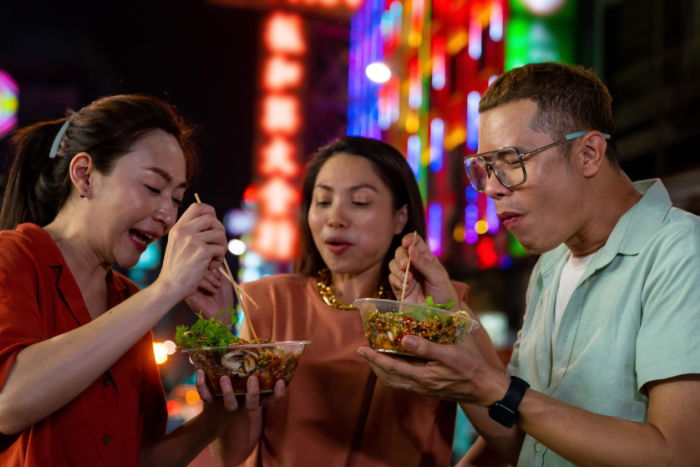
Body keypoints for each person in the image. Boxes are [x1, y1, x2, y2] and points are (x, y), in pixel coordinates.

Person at [358, 62, 700, 466]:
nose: (491, 188)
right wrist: (446, 314)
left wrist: (493, 388)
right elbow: (521, 439)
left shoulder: (680, 251)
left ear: (589, 153)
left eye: (512, 160)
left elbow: (677, 454)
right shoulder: (551, 265)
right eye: (484, 168)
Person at [0, 94, 282, 466]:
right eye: (152, 188)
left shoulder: (126, 298)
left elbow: (142, 457)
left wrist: (221, 412)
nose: (167, 215)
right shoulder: (14, 256)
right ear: (84, 174)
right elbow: (9, 402)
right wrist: (166, 289)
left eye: (177, 198)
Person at [226, 136, 502, 466]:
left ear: (400, 218)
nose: (335, 218)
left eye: (359, 202)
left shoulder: (439, 306)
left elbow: (505, 425)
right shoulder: (268, 301)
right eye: (323, 201)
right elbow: (232, 453)